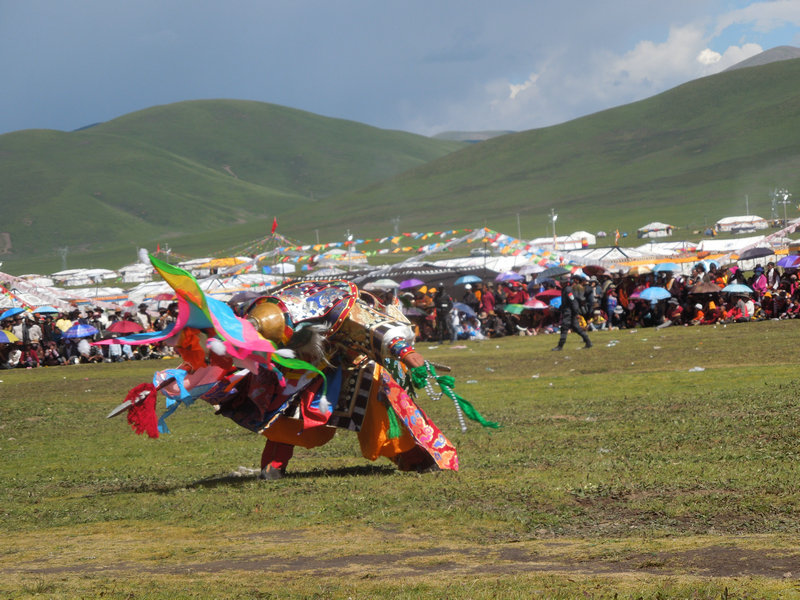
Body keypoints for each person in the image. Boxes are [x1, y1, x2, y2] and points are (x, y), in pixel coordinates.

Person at [103, 257, 496, 480]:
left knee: (297, 408)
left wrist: (416, 363)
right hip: (319, 367)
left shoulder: (331, 300)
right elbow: (387, 335)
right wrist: (418, 363)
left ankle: (410, 456)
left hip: (326, 363)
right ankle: (415, 457)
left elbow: (384, 332)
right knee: (297, 410)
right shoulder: (327, 304)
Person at [552, 275, 593, 350]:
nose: (560, 284)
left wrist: (576, 313)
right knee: (577, 328)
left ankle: (560, 346)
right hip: (568, 311)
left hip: (569, 313)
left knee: (564, 328)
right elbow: (565, 303)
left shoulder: (568, 290)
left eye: (562, 282)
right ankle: (588, 342)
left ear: (565, 283)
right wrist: (557, 309)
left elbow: (573, 302)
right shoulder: (564, 290)